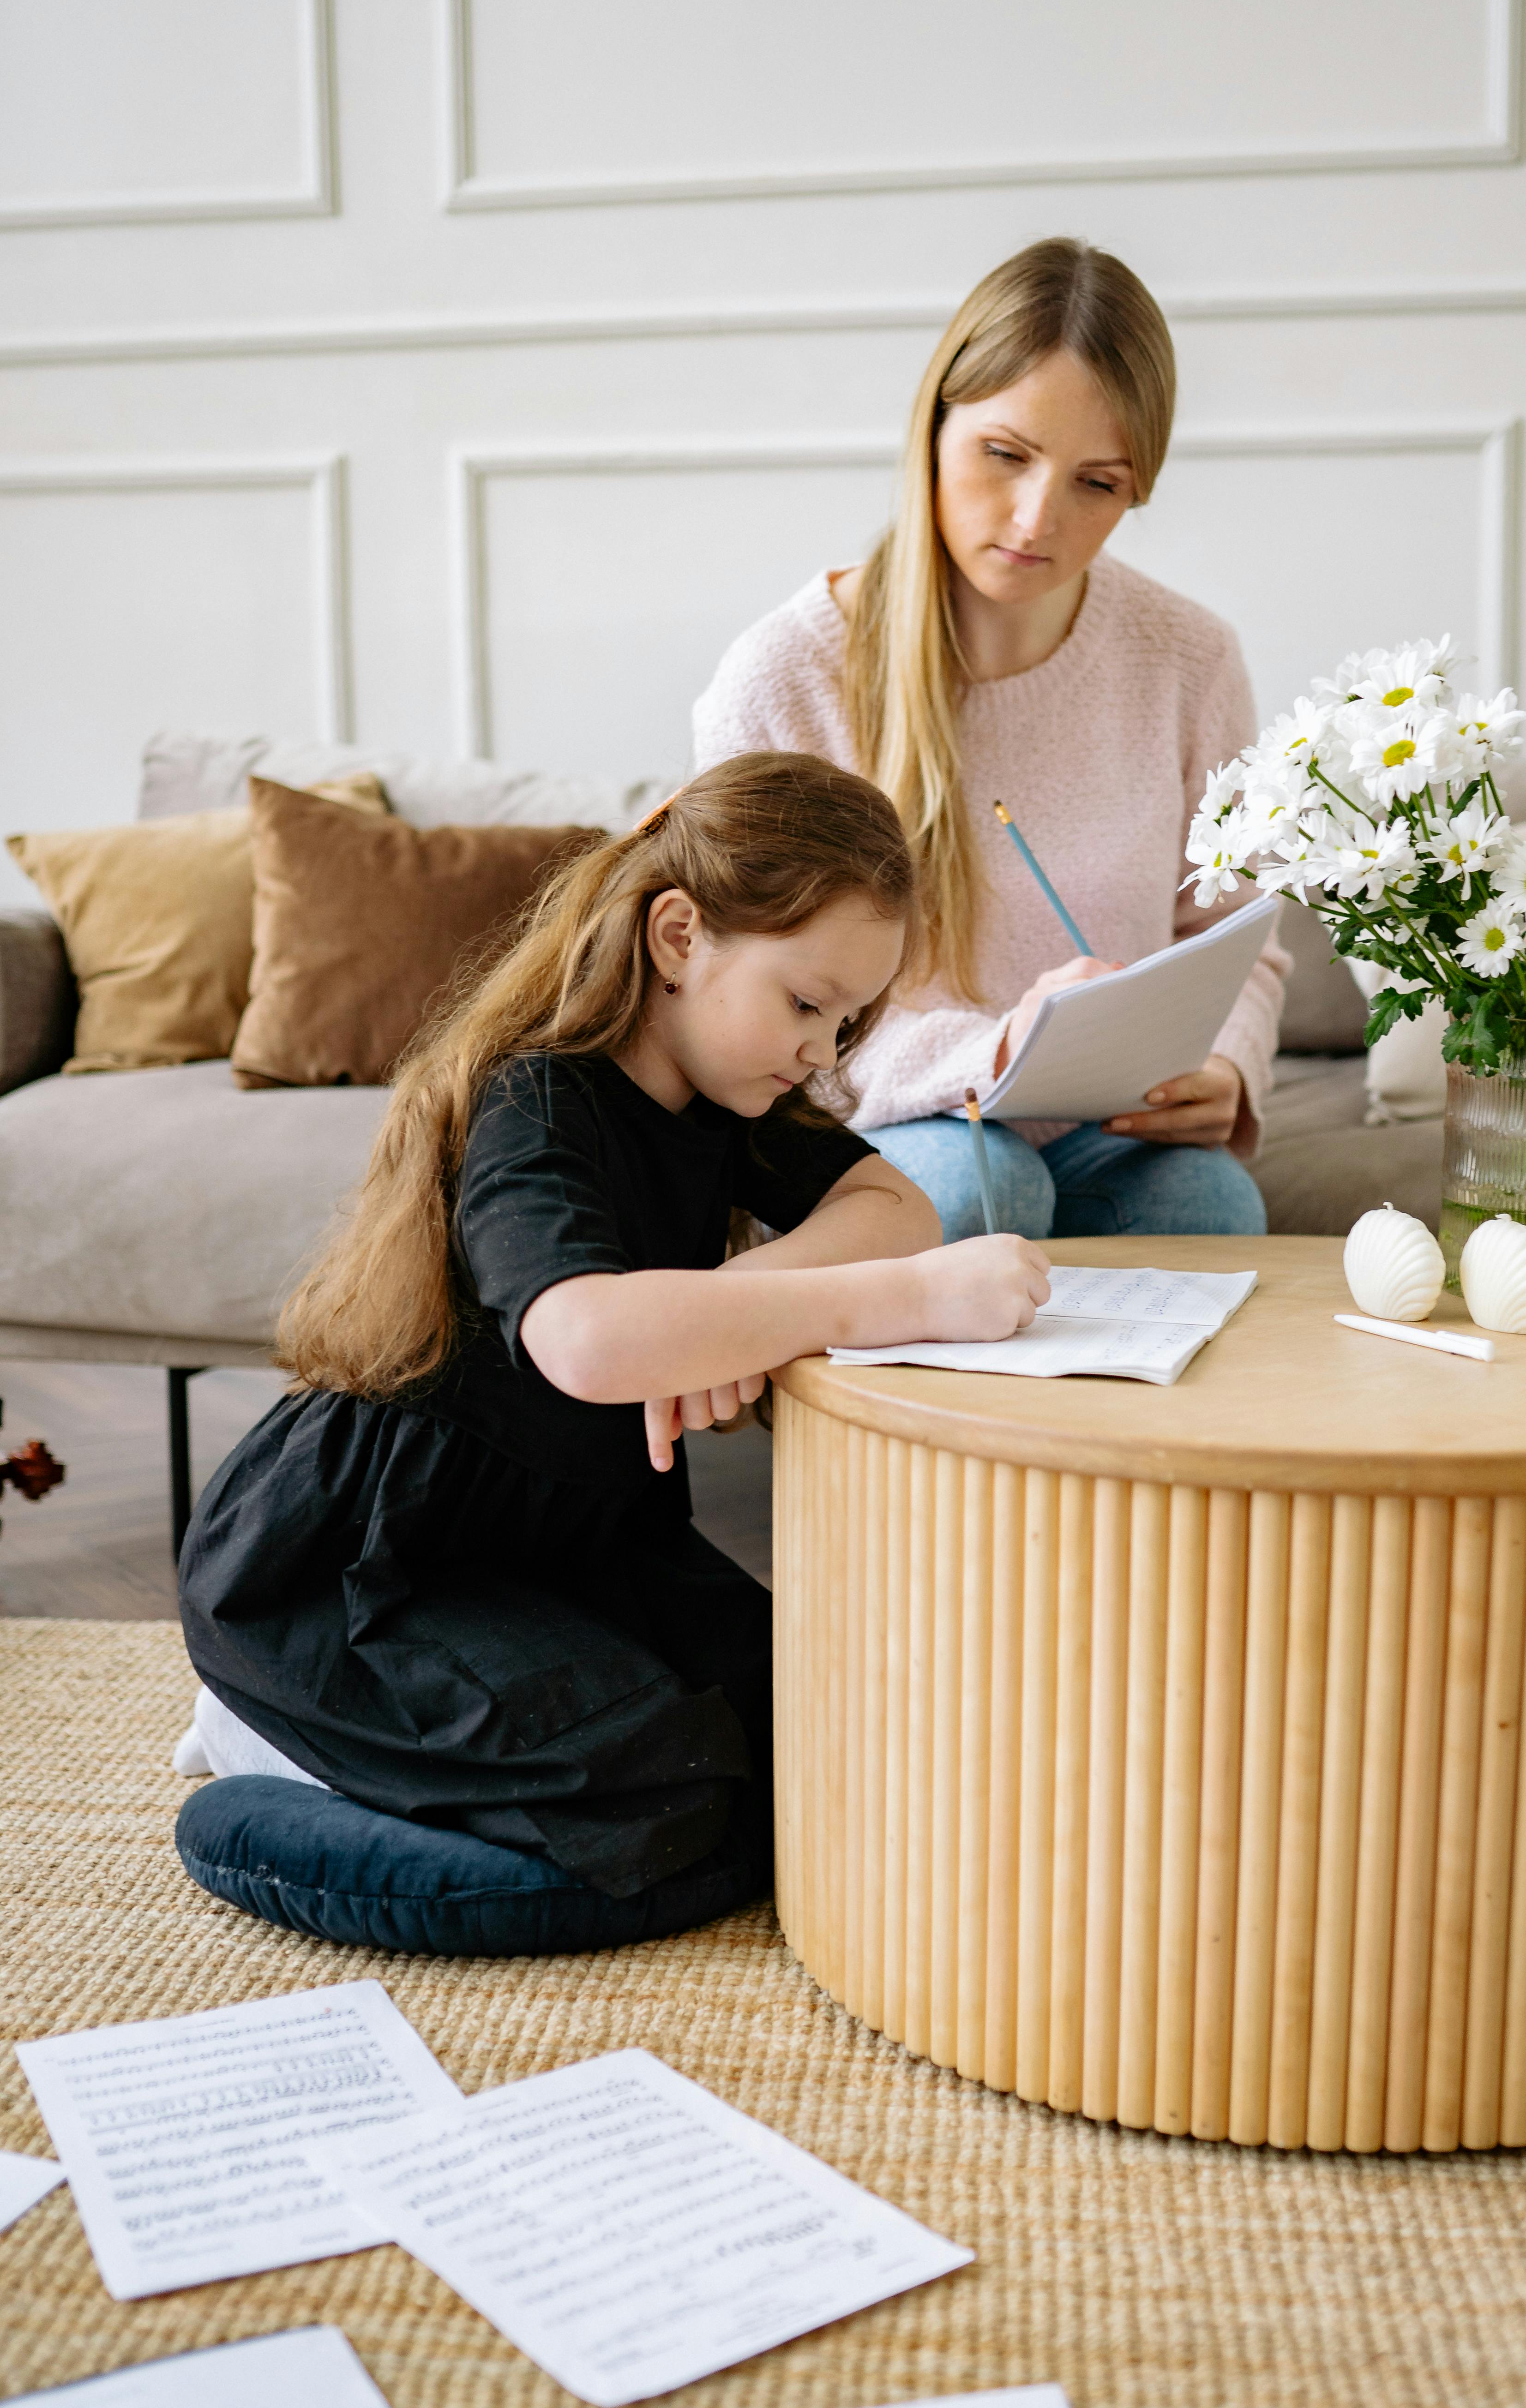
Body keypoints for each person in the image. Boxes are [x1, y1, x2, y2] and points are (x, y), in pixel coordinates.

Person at [171, 753, 1047, 1952]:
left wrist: (729, 1303)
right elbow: (583, 1338)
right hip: (372, 1569)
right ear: (679, 937)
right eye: (806, 1005)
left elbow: (889, 1207)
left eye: (848, 1021)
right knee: (663, 1825)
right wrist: (888, 1303)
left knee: (820, 1741)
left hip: (568, 1541)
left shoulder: (727, 1093)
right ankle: (261, 1776)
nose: (824, 1051)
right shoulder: (537, 1099)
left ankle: (397, 1765)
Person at [693, 236, 1288, 1245]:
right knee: (983, 1187)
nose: (1034, 518)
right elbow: (745, 999)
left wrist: (1225, 1067)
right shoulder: (783, 677)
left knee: (1210, 1205)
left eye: (1095, 483)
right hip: (869, 1122)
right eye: (1004, 455)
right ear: (933, 426)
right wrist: (992, 1052)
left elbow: (1235, 936)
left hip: (1105, 1123)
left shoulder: (1188, 659)